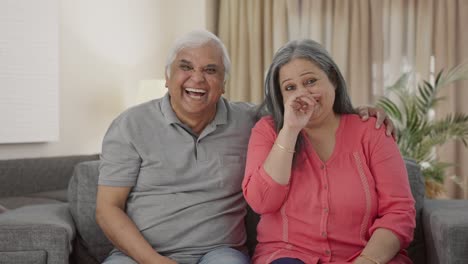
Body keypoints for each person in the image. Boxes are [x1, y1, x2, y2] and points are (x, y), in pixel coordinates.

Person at [96, 30, 397, 264]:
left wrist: (358, 112)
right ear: (167, 76)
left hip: (219, 253)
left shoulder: (250, 121)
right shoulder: (129, 126)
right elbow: (107, 208)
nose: (197, 78)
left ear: (224, 82)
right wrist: (154, 261)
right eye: (185, 67)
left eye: (211, 70)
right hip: (139, 256)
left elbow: (307, 110)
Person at [242, 39, 415, 264]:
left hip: (366, 257)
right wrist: (290, 129)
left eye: (311, 81)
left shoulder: (371, 132)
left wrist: (366, 260)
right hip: (288, 255)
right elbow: (261, 202)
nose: (302, 94)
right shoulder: (268, 131)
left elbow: (399, 212)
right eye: (290, 88)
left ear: (332, 78)